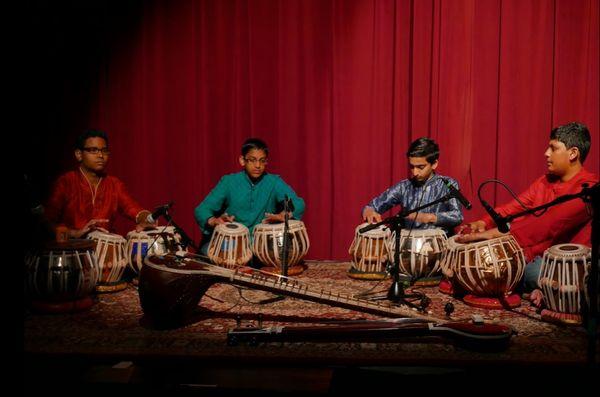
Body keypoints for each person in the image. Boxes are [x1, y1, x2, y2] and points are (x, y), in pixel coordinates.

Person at [458, 121, 597, 306]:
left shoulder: (588, 190)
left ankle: (546, 288)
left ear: (573, 153)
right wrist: (484, 222)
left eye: (553, 148)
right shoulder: (544, 182)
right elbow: (513, 208)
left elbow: (545, 226)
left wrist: (487, 236)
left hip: (569, 266)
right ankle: (544, 289)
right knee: (507, 269)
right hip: (537, 258)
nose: (546, 153)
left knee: (524, 272)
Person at [194, 138, 305, 256]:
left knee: (285, 251)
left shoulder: (274, 182)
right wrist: (214, 221)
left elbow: (298, 203)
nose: (258, 165)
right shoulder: (229, 182)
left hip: (261, 244)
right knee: (209, 252)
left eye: (262, 161)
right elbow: (202, 210)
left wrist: (284, 215)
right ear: (242, 160)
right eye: (252, 160)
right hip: (232, 242)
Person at [44, 129, 155, 239]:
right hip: (71, 251)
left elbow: (132, 208)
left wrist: (147, 218)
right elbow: (46, 223)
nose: (100, 155)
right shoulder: (66, 182)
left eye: (104, 150)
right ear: (79, 154)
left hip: (104, 254)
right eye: (93, 150)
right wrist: (74, 233)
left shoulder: (114, 184)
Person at [362, 137, 464, 236]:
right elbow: (372, 206)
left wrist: (430, 217)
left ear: (434, 164)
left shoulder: (448, 185)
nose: (415, 172)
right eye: (412, 167)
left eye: (420, 167)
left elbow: (457, 216)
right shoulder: (404, 187)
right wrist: (369, 211)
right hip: (407, 247)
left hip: (439, 249)